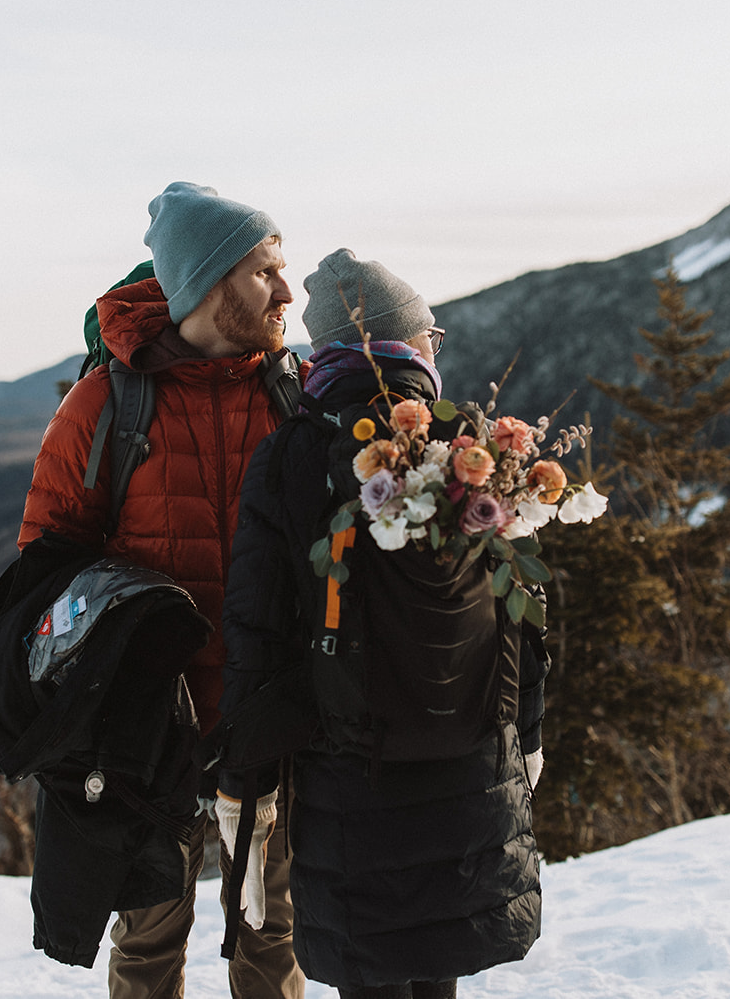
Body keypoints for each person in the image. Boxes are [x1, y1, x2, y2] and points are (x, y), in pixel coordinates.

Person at [217, 249, 545, 999]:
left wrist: (245, 784)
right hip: (470, 773)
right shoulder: (474, 448)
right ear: (411, 345)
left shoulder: (293, 457)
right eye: (433, 335)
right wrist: (527, 732)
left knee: (374, 977)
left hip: (349, 786)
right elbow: (523, 611)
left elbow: (256, 632)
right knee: (438, 974)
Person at [19, 181, 306, 999]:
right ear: (211, 284)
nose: (288, 291)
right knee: (149, 943)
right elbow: (45, 570)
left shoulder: (295, 394)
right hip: (149, 736)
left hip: (267, 719)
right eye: (265, 272)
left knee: (270, 936)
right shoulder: (106, 404)